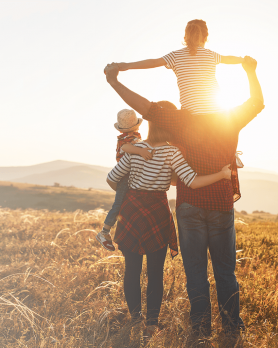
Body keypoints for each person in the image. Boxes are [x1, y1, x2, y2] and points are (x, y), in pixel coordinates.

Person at [103, 56, 264, 342]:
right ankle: (231, 328)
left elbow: (145, 108)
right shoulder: (229, 117)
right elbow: (256, 102)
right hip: (220, 205)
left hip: (186, 206)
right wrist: (250, 72)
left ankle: (199, 329)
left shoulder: (179, 120)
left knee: (195, 273)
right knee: (225, 272)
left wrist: (115, 80)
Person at [106, 116, 232, 338]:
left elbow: (112, 177)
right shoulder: (172, 152)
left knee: (132, 270)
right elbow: (191, 181)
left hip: (132, 211)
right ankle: (152, 324)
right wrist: (222, 174)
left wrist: (129, 191)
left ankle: (136, 319)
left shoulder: (135, 148)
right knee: (155, 273)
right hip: (157, 212)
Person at [113, 19, 244, 115]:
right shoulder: (211, 55)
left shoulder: (175, 56)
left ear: (185, 37)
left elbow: (153, 62)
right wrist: (244, 60)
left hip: (190, 114)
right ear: (205, 37)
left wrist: (124, 66)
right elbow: (229, 58)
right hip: (217, 113)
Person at [96, 109, 147, 251]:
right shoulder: (126, 139)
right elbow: (125, 148)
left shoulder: (133, 136)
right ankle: (104, 232)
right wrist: (141, 151)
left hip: (129, 174)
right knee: (118, 205)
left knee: (124, 204)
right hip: (125, 175)